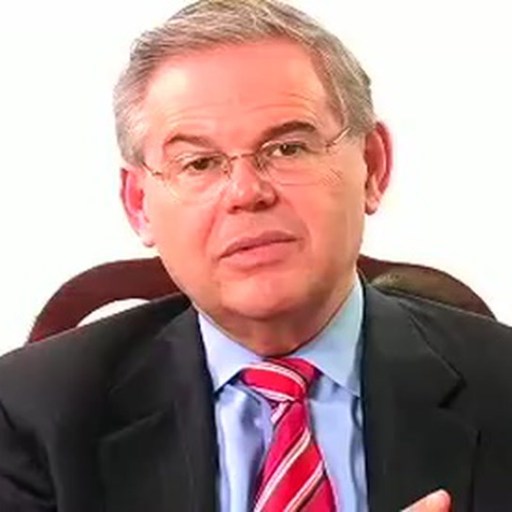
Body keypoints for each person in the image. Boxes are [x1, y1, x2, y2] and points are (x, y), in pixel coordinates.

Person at [0, 1, 511, 511]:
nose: (246, 193)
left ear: (372, 166)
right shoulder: (31, 411)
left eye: (288, 148)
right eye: (199, 163)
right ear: (139, 204)